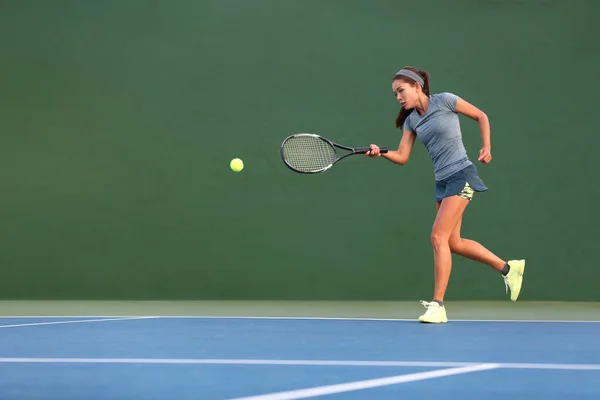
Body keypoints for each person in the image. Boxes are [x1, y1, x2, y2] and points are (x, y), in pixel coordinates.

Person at [366, 66, 525, 324]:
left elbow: (481, 116)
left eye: (401, 90)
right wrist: (380, 152)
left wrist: (486, 146)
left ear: (417, 86)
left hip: (461, 175)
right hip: (442, 182)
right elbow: (403, 156)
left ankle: (438, 305)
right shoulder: (411, 121)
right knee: (453, 243)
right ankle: (509, 268)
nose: (398, 97)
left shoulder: (446, 101)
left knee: (437, 237)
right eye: (395, 94)